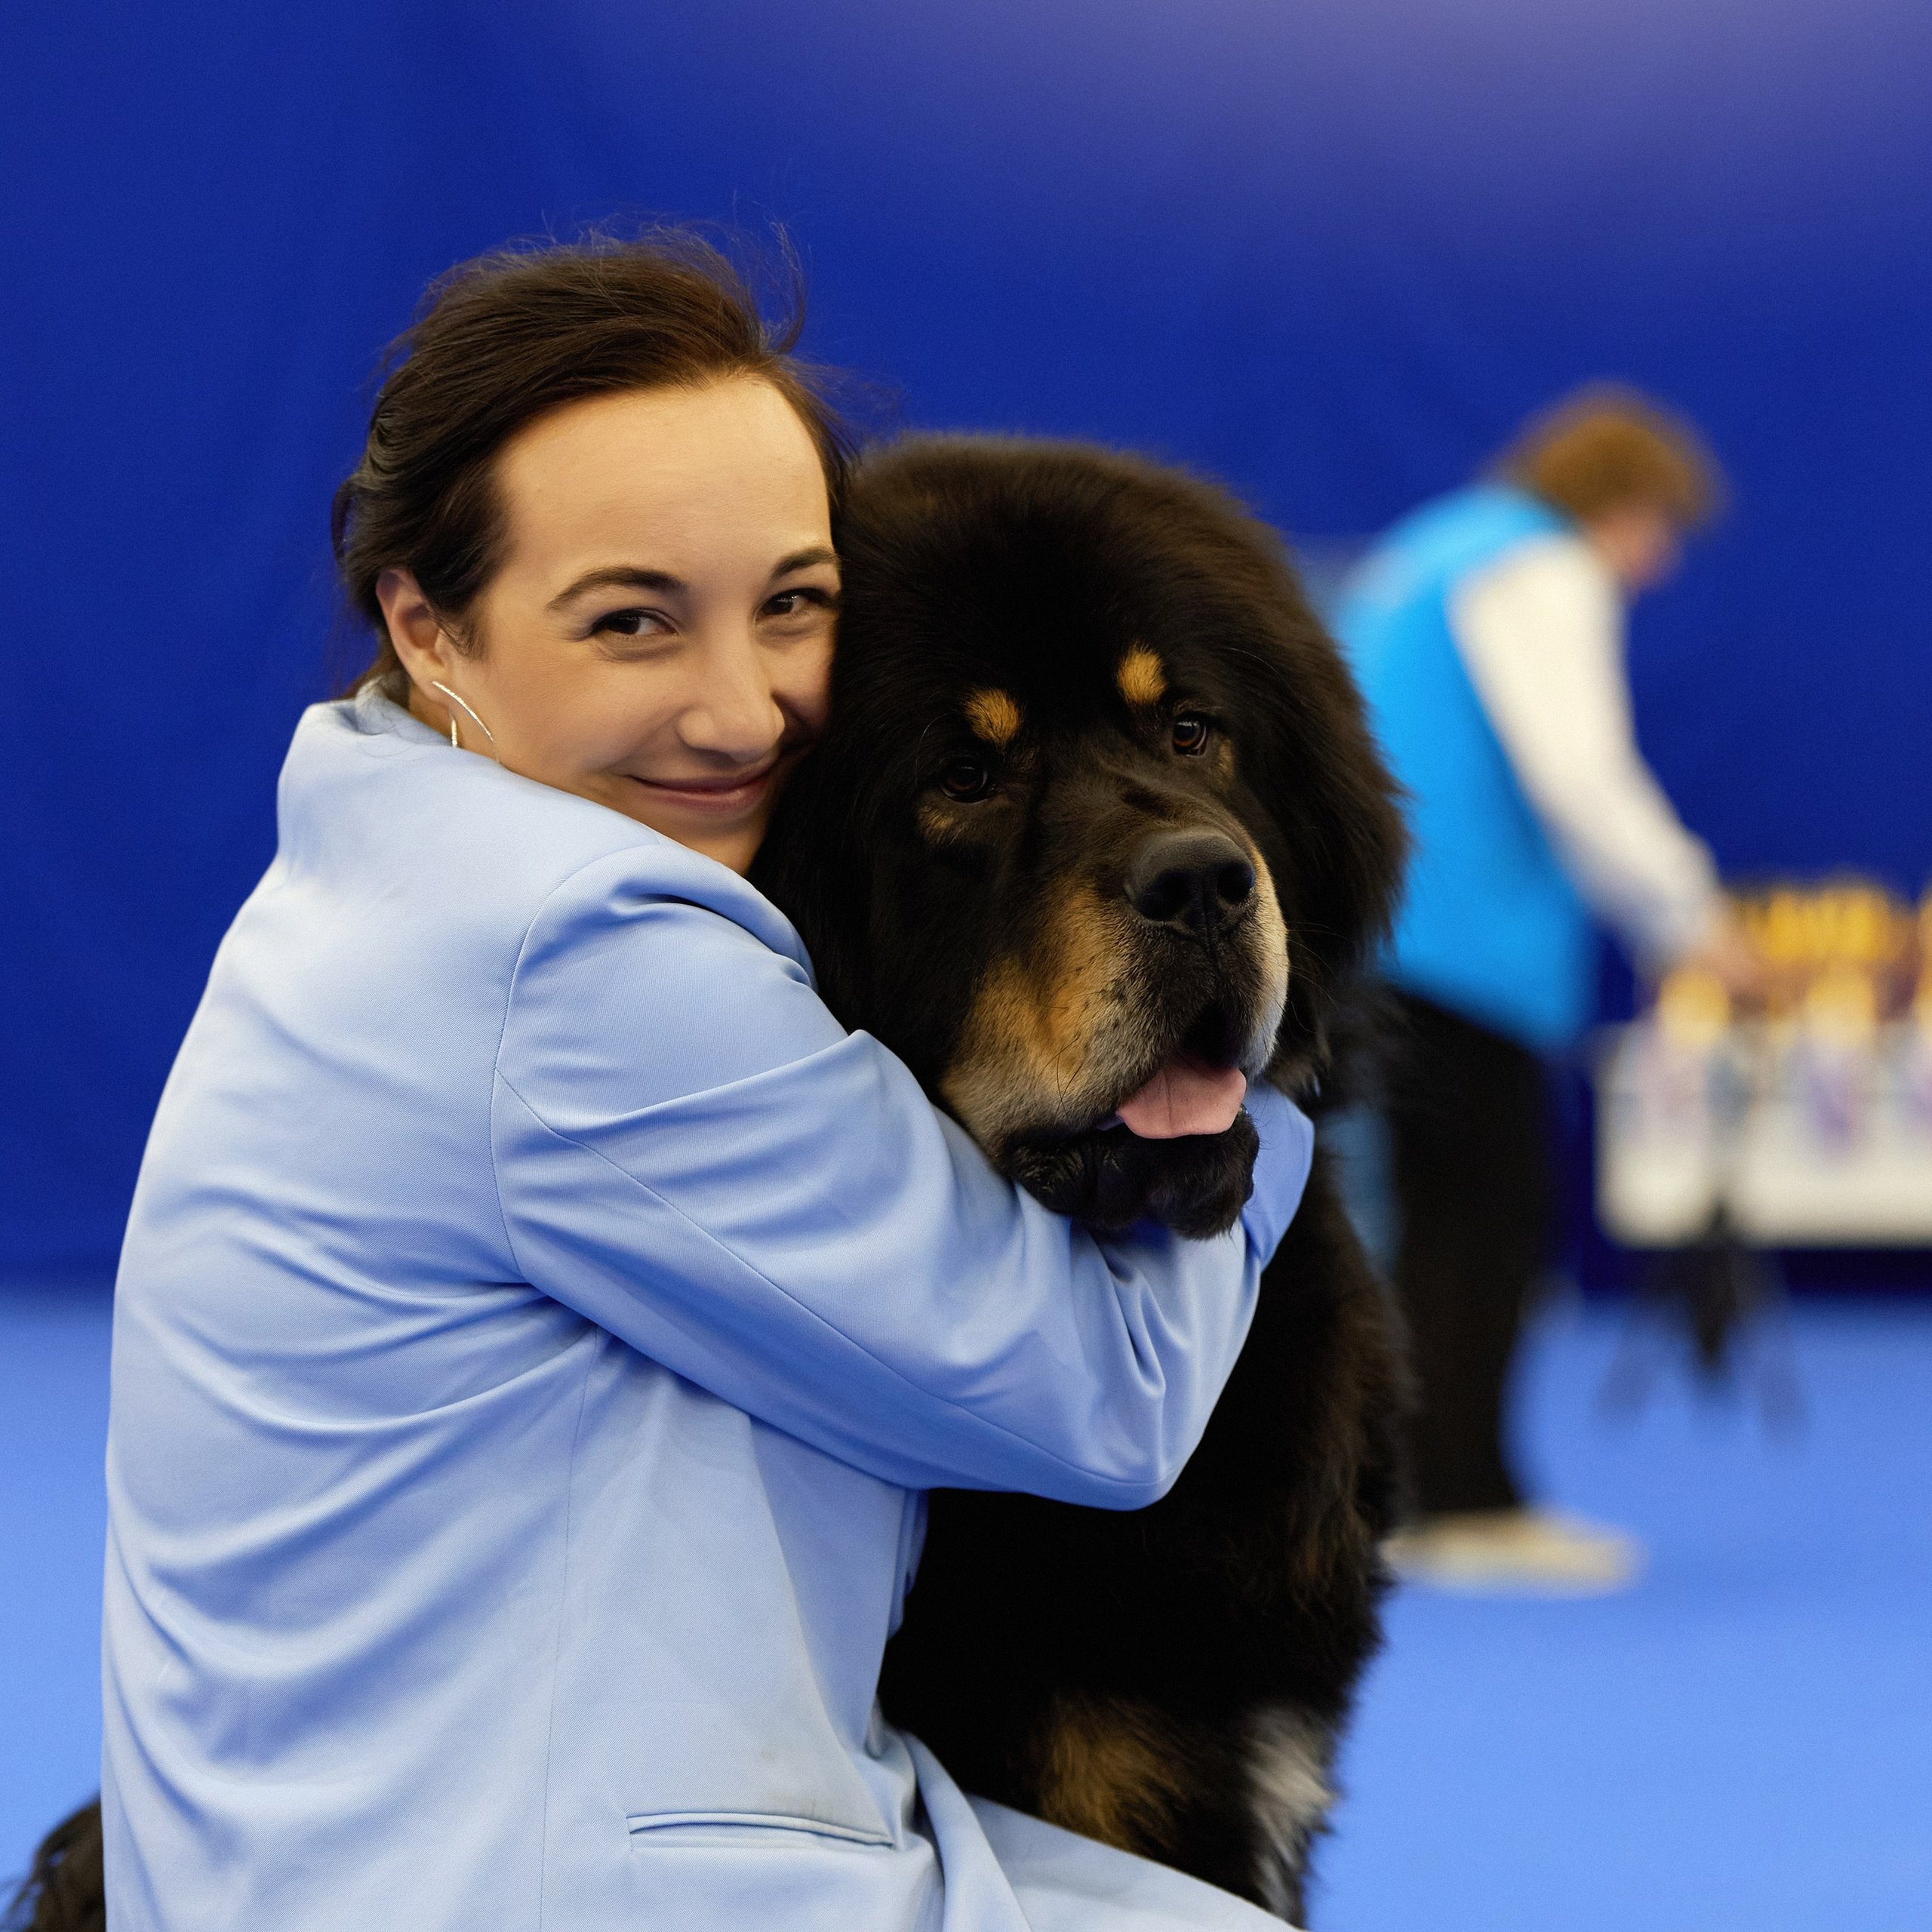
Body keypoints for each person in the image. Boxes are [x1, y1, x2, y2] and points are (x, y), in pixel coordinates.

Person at [97, 232, 1315, 1931]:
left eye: (793, 605)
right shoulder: (575, 955)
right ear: (427, 624)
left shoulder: (367, 871)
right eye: (630, 621)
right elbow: (1096, 1396)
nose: (740, 708)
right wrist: (1241, 1064)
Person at [1336, 386, 1760, 1591]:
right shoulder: (1539, 566)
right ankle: (1463, 1501)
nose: (1660, 560)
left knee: (1442, 1219)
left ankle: (1422, 1492)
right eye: (1657, 525)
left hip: (1395, 933)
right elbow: (1580, 772)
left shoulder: (1436, 547)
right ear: (1612, 501)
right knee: (1489, 1218)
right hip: (1455, 949)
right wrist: (1691, 920)